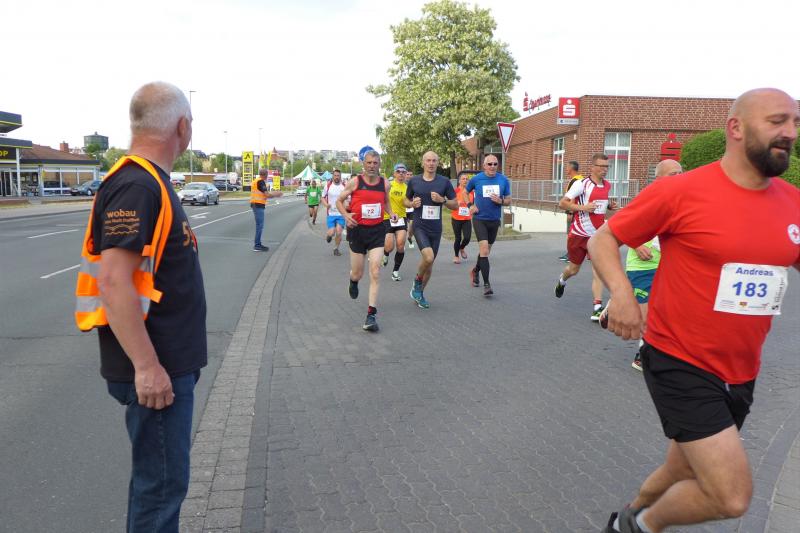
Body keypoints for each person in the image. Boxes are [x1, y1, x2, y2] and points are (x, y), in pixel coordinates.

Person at [590, 88, 800, 533]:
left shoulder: (792, 202)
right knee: (730, 495)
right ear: (736, 127)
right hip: (680, 360)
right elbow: (603, 238)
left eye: (795, 123)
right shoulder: (682, 191)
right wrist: (622, 294)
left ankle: (622, 521)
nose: (790, 132)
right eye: (777, 121)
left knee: (680, 469)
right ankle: (643, 525)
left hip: (741, 370)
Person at [74, 81, 207, 532]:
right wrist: (147, 367)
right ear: (182, 127)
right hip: (157, 371)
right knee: (161, 490)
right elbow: (113, 282)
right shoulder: (137, 185)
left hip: (166, 364)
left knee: (157, 485)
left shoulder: (149, 183)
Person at [601, 159, 683, 371]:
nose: (678, 178)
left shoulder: (683, 200)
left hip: (666, 266)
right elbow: (617, 228)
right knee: (646, 316)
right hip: (642, 266)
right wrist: (636, 245)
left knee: (664, 313)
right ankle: (641, 356)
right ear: (658, 178)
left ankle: (650, 350)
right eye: (673, 174)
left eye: (680, 173)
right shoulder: (648, 197)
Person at [336, 150, 397, 331]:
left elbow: (386, 201)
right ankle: (353, 281)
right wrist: (346, 215)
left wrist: (391, 213)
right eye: (369, 163)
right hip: (357, 231)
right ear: (363, 164)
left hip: (377, 231)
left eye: (375, 163)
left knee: (375, 271)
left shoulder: (385, 184)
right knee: (358, 273)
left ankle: (371, 315)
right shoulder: (355, 182)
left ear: (379, 164)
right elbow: (339, 201)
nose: (372, 166)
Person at [553, 153, 618, 320]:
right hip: (579, 234)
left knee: (598, 270)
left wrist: (609, 206)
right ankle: (562, 280)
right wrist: (583, 207)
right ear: (593, 167)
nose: (605, 169)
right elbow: (562, 203)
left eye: (607, 166)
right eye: (601, 166)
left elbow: (600, 203)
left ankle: (597, 307)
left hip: (597, 236)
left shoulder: (607, 185)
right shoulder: (582, 184)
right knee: (573, 270)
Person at [405, 151, 457, 308]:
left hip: (436, 228)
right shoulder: (414, 181)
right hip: (419, 225)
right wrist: (411, 204)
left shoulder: (444, 182)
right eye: (428, 160)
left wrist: (443, 200)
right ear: (423, 163)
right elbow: (405, 200)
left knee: (429, 265)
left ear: (438, 163)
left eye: (434, 160)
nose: (431, 163)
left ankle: (419, 294)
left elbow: (455, 204)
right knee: (428, 258)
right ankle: (417, 282)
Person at [466, 154, 511, 296]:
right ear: (484, 165)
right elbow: (465, 192)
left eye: (495, 164)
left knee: (485, 251)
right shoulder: (476, 179)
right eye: (489, 164)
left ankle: (475, 270)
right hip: (479, 219)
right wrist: (470, 205)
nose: (492, 166)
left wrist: (501, 201)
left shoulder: (503, 180)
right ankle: (487, 284)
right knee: (484, 250)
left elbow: (508, 200)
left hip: (494, 220)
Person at [382, 163, 409, 281]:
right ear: (394, 173)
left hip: (401, 218)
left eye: (403, 172)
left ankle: (395, 271)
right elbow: (382, 200)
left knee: (401, 245)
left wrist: (411, 203)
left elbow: (408, 202)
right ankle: (385, 254)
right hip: (387, 218)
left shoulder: (407, 188)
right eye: (398, 171)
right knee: (389, 247)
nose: (401, 174)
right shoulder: (389, 185)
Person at [251, 167, 283, 251]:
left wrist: (274, 193)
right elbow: (267, 195)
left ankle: (258, 244)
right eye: (267, 175)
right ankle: (257, 245)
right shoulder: (261, 182)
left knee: (259, 225)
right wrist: (277, 194)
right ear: (265, 174)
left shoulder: (256, 181)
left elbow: (264, 193)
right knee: (260, 226)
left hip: (255, 204)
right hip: (258, 205)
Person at [559, 161, 583, 261]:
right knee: (575, 234)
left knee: (571, 234)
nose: (566, 169)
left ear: (571, 168)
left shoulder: (575, 181)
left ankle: (571, 254)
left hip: (573, 211)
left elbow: (573, 197)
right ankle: (572, 253)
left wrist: (570, 212)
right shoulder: (580, 179)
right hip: (577, 210)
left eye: (567, 167)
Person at [451, 172, 474, 264]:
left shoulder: (471, 192)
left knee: (467, 238)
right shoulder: (455, 191)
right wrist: (457, 203)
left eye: (466, 179)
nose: (465, 180)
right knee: (458, 238)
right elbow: (450, 204)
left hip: (467, 218)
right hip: (456, 218)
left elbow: (473, 204)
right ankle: (456, 256)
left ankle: (462, 248)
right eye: (463, 179)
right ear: (459, 181)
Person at [322, 169, 346, 256]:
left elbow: (348, 198)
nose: (336, 177)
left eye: (338, 176)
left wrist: (346, 206)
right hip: (331, 214)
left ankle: (336, 248)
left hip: (341, 214)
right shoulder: (328, 186)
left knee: (339, 232)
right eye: (335, 175)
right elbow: (322, 197)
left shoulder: (344, 186)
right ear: (333, 176)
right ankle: (329, 235)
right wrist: (326, 204)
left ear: (340, 176)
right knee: (332, 232)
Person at [404, 169, 416, 249]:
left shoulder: (415, 184)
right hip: (402, 209)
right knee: (403, 228)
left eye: (411, 175)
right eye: (407, 174)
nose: (409, 176)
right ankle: (402, 243)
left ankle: (409, 237)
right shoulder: (401, 184)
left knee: (412, 226)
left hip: (412, 209)